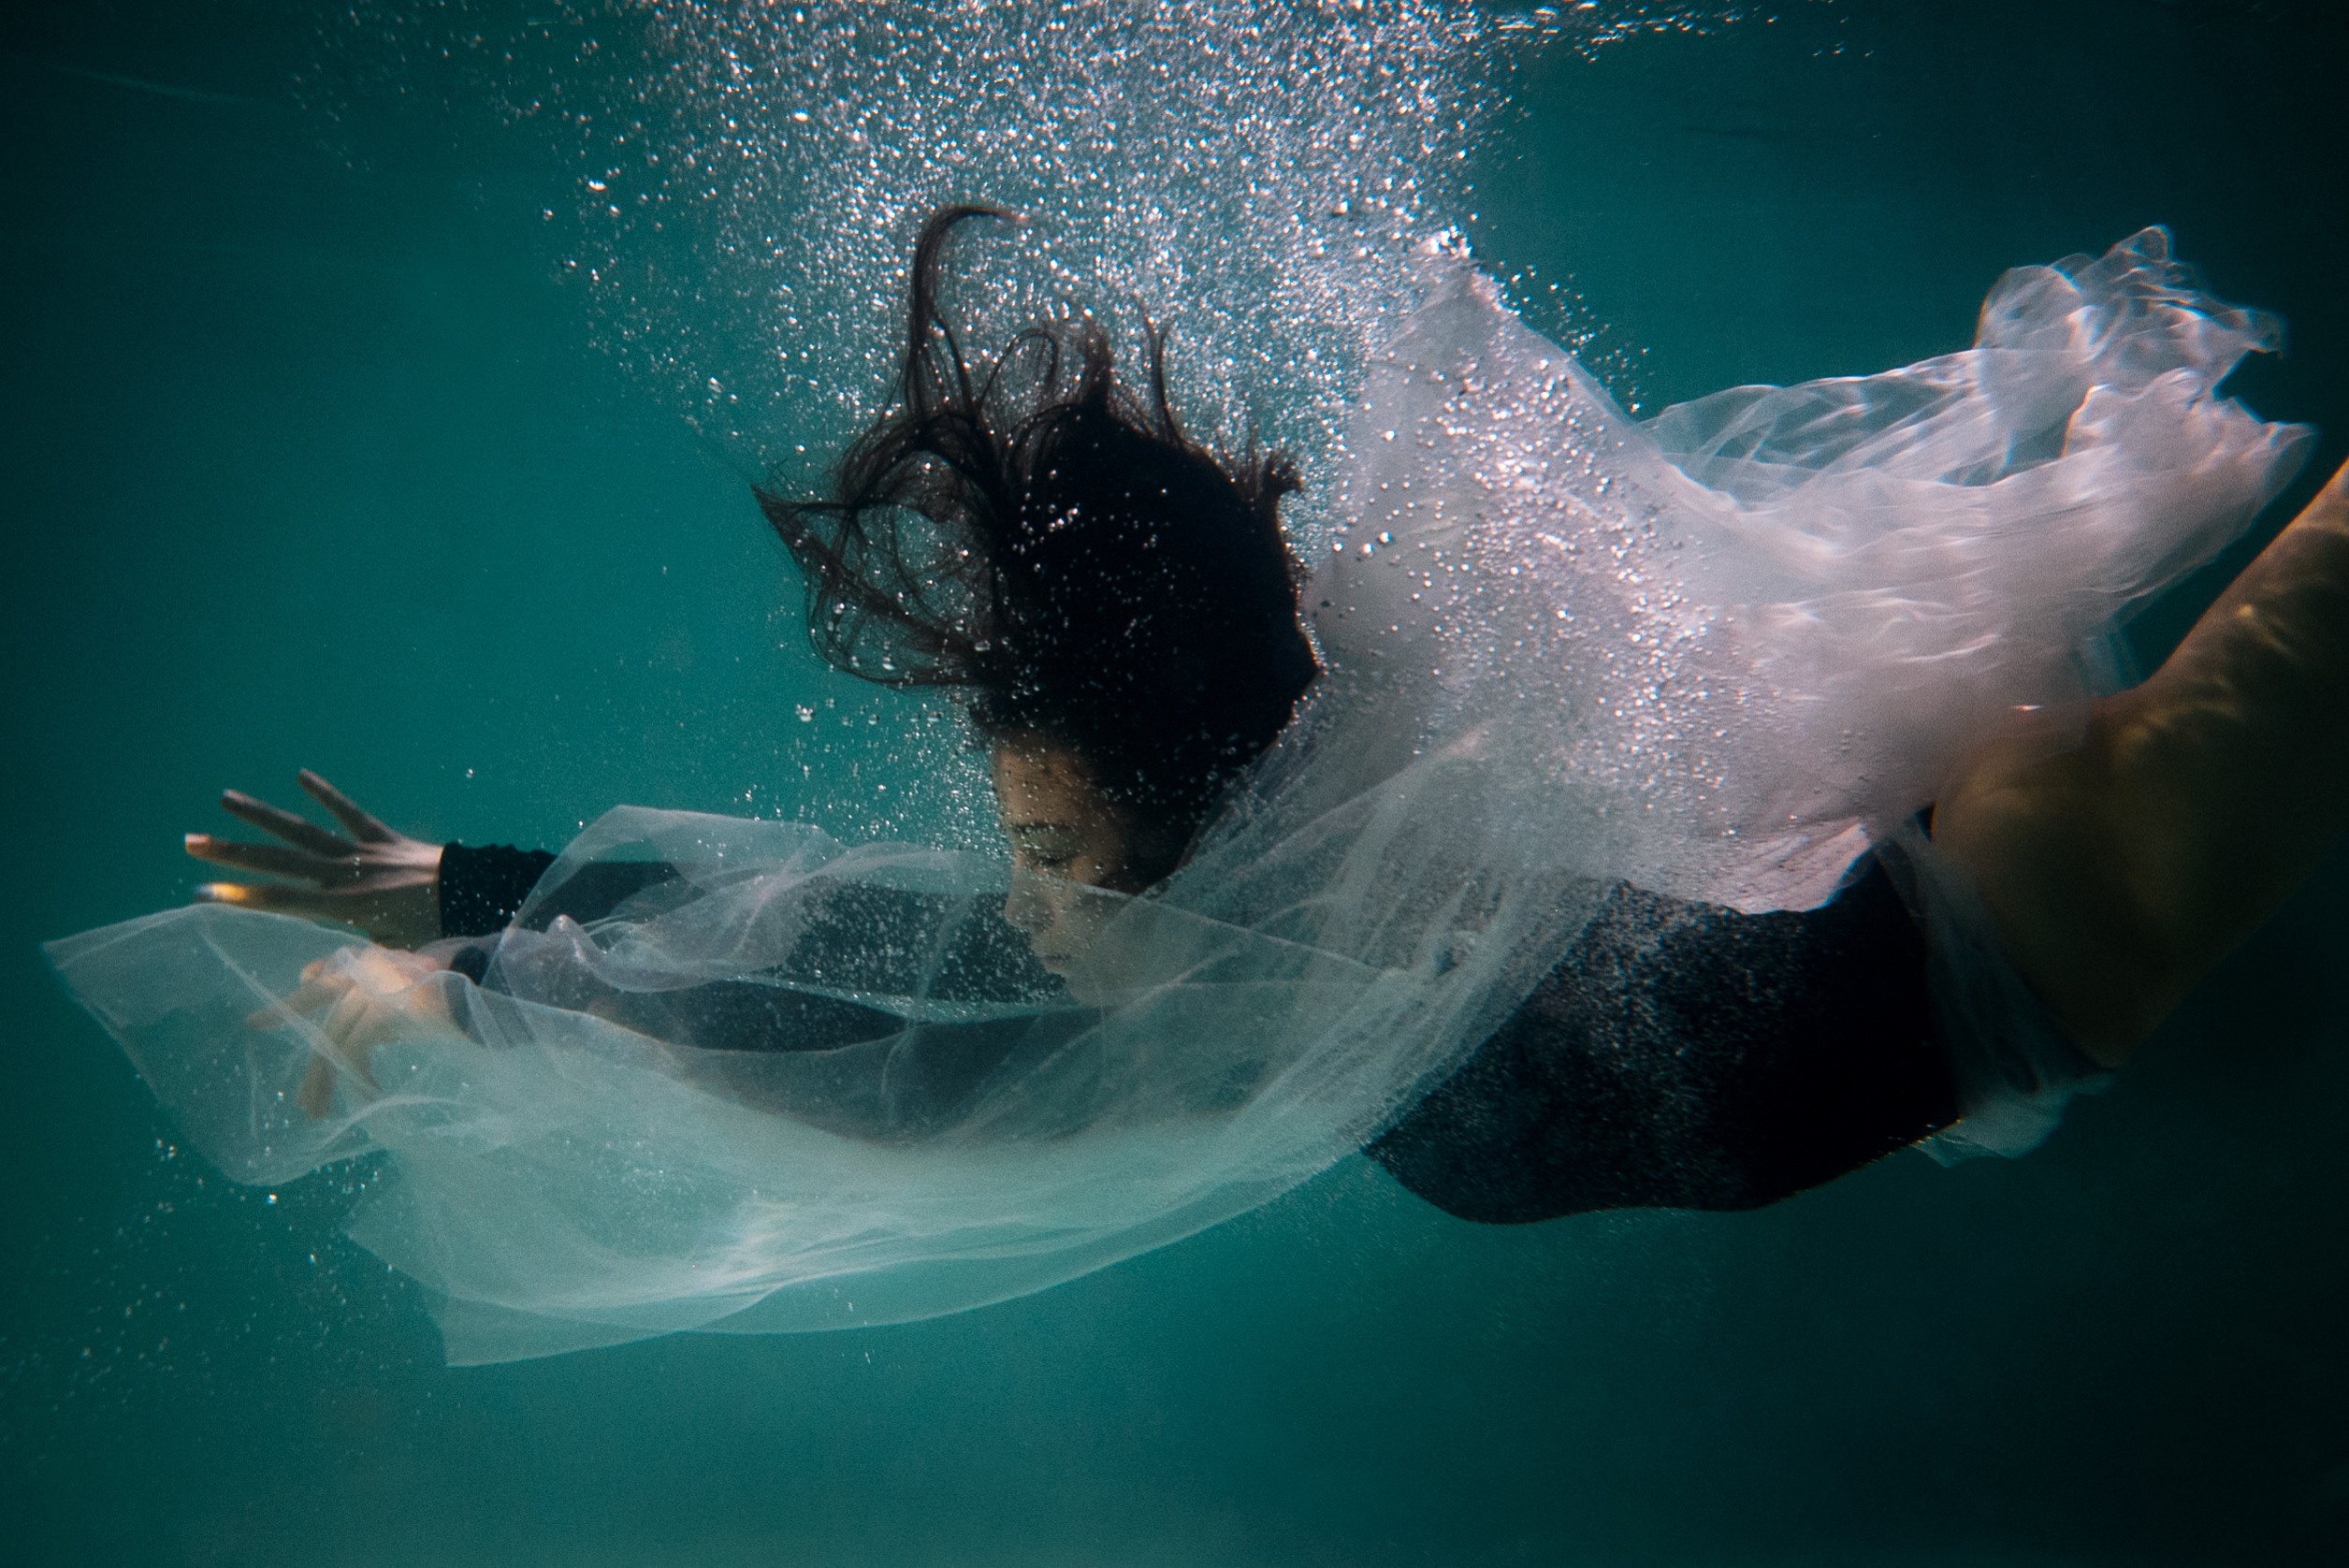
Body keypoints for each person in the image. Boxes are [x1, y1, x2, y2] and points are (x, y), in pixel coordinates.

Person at [177, 206, 2349, 1227]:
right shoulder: (1259, 856)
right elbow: (850, 934)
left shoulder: (1231, 972)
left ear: (1192, 833)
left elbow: (885, 1063)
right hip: (1912, 893)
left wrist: (484, 1006)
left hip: (2028, 940)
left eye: (1042, 851)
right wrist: (486, 893)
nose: (1015, 902)